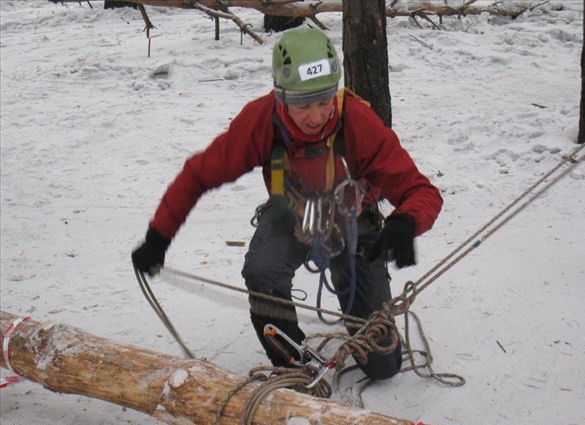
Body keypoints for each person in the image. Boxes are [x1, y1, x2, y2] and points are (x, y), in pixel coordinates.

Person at [132, 28, 442, 381]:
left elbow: (421, 191)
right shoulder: (262, 121)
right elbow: (198, 175)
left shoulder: (356, 119)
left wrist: (406, 222)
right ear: (280, 96)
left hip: (355, 226)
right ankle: (290, 360)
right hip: (290, 216)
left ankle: (360, 310)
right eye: (303, 104)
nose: (315, 116)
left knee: (383, 365)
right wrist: (159, 236)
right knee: (262, 271)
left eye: (325, 101)